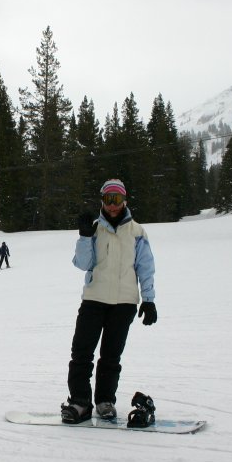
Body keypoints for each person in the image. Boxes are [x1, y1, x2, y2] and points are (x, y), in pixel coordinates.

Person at [61, 178, 156, 423]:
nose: (113, 205)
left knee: (111, 357)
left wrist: (148, 299)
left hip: (124, 304)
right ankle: (80, 402)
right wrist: (84, 237)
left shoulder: (137, 232)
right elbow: (83, 263)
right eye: (108, 199)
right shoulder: (94, 229)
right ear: (102, 201)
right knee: (81, 353)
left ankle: (105, 401)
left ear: (125, 200)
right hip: (94, 299)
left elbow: (145, 267)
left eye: (117, 199)